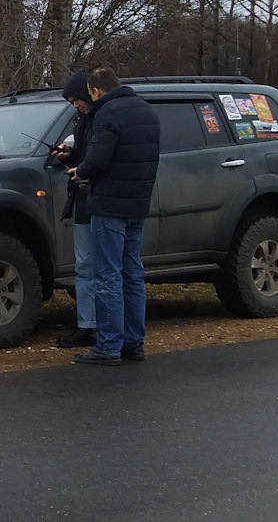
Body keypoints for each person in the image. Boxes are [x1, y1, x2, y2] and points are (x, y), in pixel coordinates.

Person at [69, 66, 160, 367]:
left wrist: (80, 172)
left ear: (95, 91)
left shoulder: (107, 114)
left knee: (106, 274)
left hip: (109, 205)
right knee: (132, 273)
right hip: (137, 203)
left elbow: (98, 158)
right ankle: (134, 342)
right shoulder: (146, 112)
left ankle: (108, 345)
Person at [51, 71, 98, 349]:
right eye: (70, 102)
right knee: (84, 267)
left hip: (100, 201)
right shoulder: (81, 121)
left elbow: (101, 157)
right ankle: (87, 324)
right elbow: (86, 152)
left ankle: (102, 324)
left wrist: (83, 168)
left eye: (76, 100)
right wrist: (69, 154)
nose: (74, 105)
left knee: (103, 267)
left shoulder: (104, 119)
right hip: (82, 201)